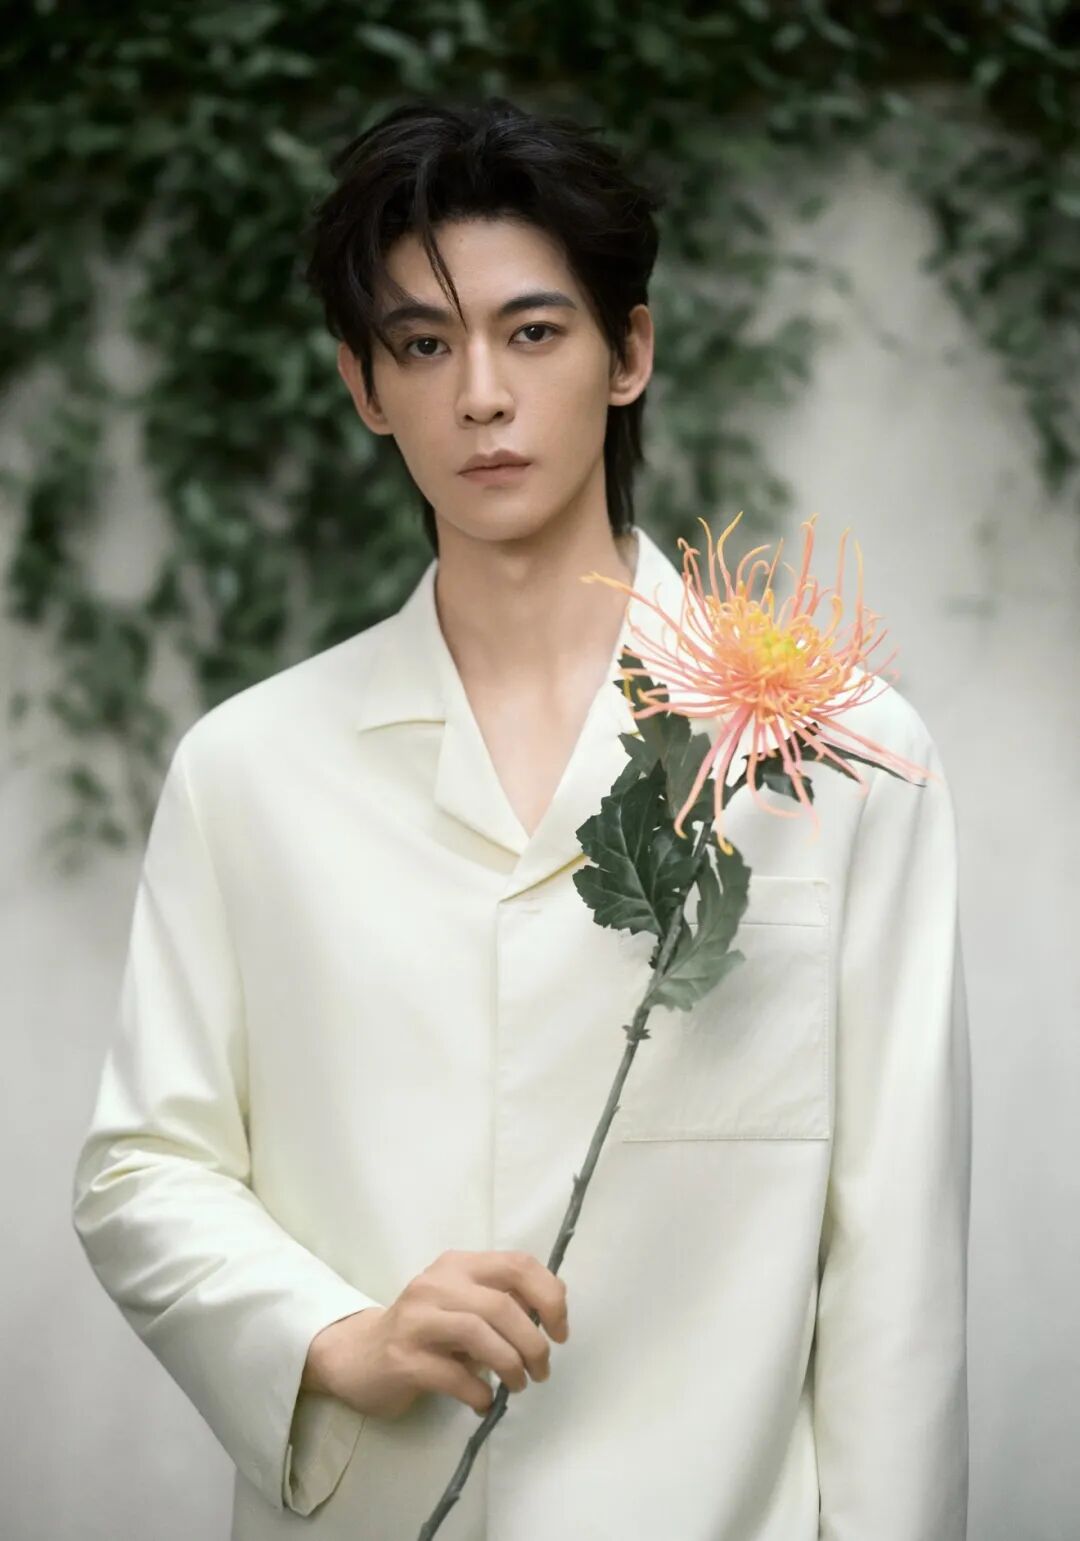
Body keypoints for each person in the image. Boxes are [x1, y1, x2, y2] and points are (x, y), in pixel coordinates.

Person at [71, 96, 972, 1540]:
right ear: (366, 387)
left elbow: (896, 1262)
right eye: (424, 345)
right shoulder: (248, 770)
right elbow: (144, 1170)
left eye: (534, 331)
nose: (482, 395)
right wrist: (334, 1336)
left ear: (630, 353)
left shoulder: (839, 756)